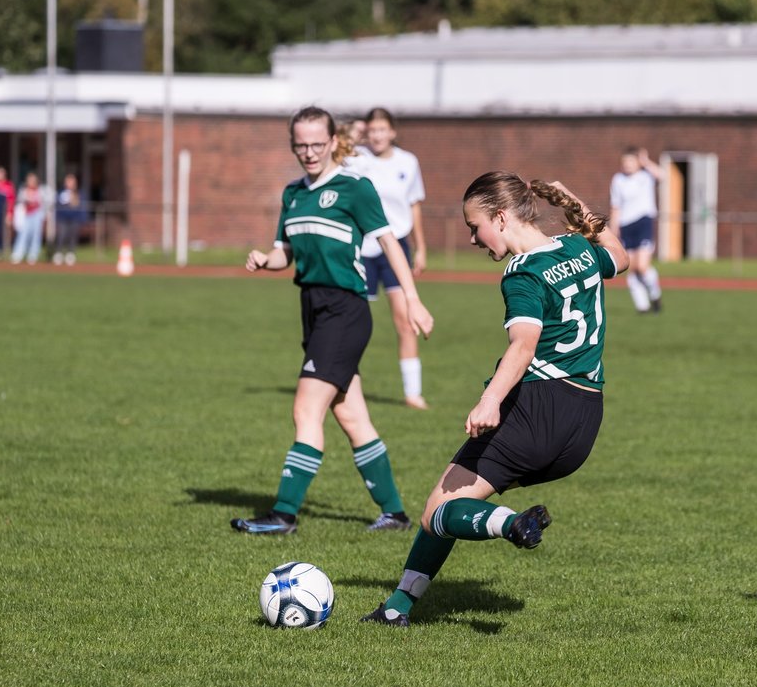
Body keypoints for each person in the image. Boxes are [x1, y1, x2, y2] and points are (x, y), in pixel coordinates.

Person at [361, 171, 629, 627]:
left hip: (536, 410)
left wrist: (490, 401)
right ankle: (396, 609)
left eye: (474, 226)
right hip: (584, 421)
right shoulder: (578, 249)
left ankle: (511, 525)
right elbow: (620, 257)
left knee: (439, 511)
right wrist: (575, 202)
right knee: (442, 506)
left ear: (501, 217)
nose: (472, 238)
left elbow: (523, 344)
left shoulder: (522, 274)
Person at [230, 106, 434, 536]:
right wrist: (265, 260)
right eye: (300, 145)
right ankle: (395, 514)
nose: (308, 152)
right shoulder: (292, 195)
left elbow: (390, 243)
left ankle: (283, 515)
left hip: (345, 311)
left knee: (305, 408)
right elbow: (284, 251)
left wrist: (413, 300)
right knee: (352, 416)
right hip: (312, 308)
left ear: (331, 142)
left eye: (316, 144)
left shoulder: (354, 188)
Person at [340, 108, 431, 409]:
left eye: (383, 129)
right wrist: (354, 132)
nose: (377, 135)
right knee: (353, 320)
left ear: (393, 131)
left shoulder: (409, 161)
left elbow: (414, 205)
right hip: (362, 248)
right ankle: (343, 383)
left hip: (396, 248)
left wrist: (420, 246)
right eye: (372, 130)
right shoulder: (356, 158)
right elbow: (337, 144)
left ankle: (413, 392)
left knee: (405, 319)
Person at [609, 147, 663, 313]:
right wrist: (613, 232)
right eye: (624, 162)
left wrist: (646, 162)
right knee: (631, 268)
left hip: (643, 222)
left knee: (642, 266)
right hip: (626, 226)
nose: (627, 165)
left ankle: (655, 293)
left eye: (631, 161)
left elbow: (663, 175)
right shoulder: (618, 180)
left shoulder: (646, 176)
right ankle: (643, 306)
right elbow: (616, 207)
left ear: (637, 162)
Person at [52, 173, 88, 266]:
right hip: (62, 218)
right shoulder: (61, 193)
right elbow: (57, 206)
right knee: (61, 235)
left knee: (73, 236)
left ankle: (70, 254)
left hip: (74, 218)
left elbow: (81, 207)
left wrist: (83, 219)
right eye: (68, 181)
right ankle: (58, 254)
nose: (70, 183)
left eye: (72, 181)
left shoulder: (79, 193)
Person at [10, 172, 46, 265]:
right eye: (30, 180)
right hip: (26, 214)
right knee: (23, 234)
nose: (31, 182)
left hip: (37, 214)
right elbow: (20, 201)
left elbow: (44, 203)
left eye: (33, 180)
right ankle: (18, 254)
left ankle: (33, 255)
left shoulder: (41, 190)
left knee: (36, 235)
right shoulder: (23, 190)